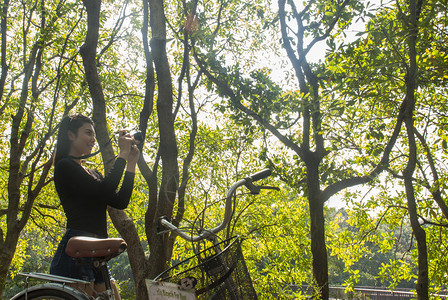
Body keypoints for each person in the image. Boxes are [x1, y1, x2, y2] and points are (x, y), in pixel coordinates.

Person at [49, 114, 139, 299]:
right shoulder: (65, 166)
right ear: (71, 135)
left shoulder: (92, 172)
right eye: (88, 133)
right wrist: (121, 154)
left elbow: (120, 201)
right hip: (76, 252)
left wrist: (131, 163)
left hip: (97, 252)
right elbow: (105, 190)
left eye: (94, 134)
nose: (93, 139)